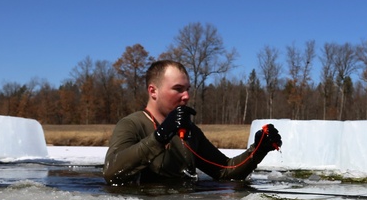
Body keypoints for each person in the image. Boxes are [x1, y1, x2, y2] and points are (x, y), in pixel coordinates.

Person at [104, 60, 281, 185]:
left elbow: (225, 171)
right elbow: (112, 173)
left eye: (187, 89)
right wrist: (160, 137)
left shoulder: (189, 131)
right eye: (178, 89)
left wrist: (258, 149)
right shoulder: (131, 124)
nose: (187, 96)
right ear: (153, 91)